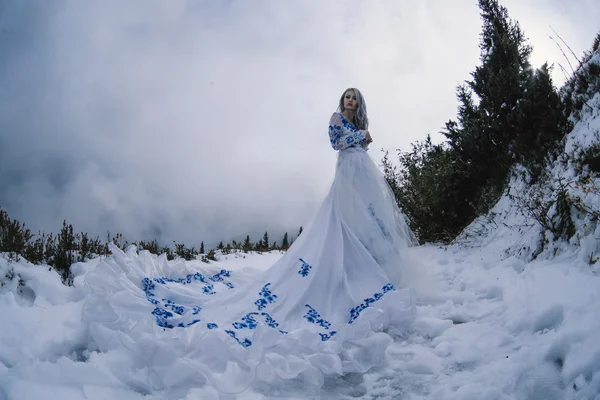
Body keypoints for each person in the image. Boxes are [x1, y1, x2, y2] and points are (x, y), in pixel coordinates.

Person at [81, 88, 418, 395]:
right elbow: (336, 143)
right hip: (346, 174)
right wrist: (360, 135)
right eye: (346, 97)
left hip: (360, 173)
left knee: (364, 223)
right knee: (339, 225)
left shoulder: (357, 123)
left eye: (354, 99)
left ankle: (366, 269)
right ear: (341, 102)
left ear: (359, 104)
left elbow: (356, 143)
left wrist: (363, 139)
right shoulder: (336, 121)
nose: (350, 102)